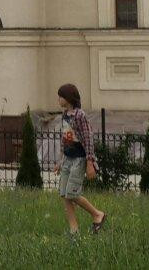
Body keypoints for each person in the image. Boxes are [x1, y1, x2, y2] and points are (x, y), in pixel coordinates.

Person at [52, 83, 106, 236]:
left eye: (61, 96)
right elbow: (65, 138)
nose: (58, 99)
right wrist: (60, 161)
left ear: (68, 98)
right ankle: (73, 230)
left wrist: (90, 162)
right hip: (68, 159)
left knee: (73, 193)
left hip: (79, 159)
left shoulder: (80, 115)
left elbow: (88, 138)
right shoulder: (65, 116)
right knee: (64, 194)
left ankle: (97, 214)